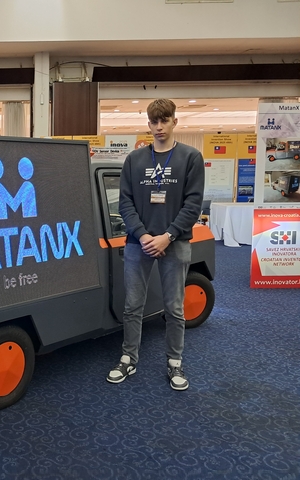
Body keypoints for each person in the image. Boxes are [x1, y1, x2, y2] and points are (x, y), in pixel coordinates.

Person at [106, 98, 204, 391]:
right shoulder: (134, 160)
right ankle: (128, 357)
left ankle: (175, 362)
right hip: (139, 243)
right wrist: (143, 235)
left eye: (165, 120)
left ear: (175, 121)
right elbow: (125, 203)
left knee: (174, 307)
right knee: (132, 305)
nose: (159, 127)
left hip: (175, 242)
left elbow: (193, 205)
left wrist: (168, 235)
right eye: (154, 122)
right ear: (148, 124)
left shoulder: (190, 157)